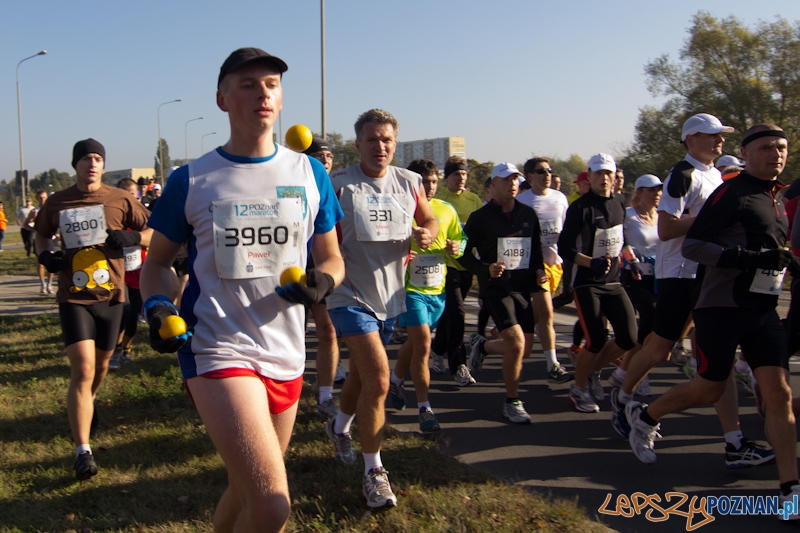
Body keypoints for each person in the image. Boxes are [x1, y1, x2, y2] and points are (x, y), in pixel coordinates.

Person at [141, 48, 344, 531]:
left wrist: (322, 282)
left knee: (244, 487)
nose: (263, 93)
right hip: (217, 348)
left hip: (286, 352)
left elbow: (333, 258)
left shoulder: (310, 174)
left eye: (271, 84)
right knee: (273, 502)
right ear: (222, 99)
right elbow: (156, 265)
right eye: (248, 84)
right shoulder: (191, 180)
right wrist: (155, 305)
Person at [626, 124, 797, 513]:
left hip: (762, 309)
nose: (776, 154)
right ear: (747, 153)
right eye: (767, 147)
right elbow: (694, 245)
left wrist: (788, 264)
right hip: (720, 307)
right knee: (708, 390)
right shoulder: (729, 192)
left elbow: (771, 251)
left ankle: (790, 490)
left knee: (779, 394)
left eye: (782, 147)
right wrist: (752, 260)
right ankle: (645, 413)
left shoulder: (776, 198)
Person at [611, 113, 772, 467]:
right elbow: (667, 229)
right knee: (659, 351)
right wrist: (715, 220)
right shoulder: (681, 175)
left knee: (718, 361)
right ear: (690, 139)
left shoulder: (716, 175)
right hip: (680, 274)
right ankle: (623, 398)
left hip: (711, 276)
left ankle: (735, 442)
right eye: (711, 135)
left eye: (721, 135)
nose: (719, 140)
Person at [325, 108, 438, 508]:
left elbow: (428, 221)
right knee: (379, 380)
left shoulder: (409, 182)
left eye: (387, 139)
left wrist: (426, 232)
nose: (380, 146)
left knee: (360, 375)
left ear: (395, 143)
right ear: (357, 145)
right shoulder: (338, 183)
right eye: (371, 139)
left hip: (391, 295)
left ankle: (339, 428)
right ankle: (374, 472)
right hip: (348, 293)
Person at [35, 139, 151, 480]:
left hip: (112, 296)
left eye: (98, 158)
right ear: (76, 165)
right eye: (86, 158)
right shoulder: (58, 202)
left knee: (100, 368)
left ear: (103, 165)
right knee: (83, 369)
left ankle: (88, 401)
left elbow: (155, 231)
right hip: (74, 297)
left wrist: (133, 239)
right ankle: (82, 451)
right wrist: (45, 256)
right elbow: (42, 236)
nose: (93, 163)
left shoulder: (121, 198)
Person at [460, 163, 547, 423]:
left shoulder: (528, 214)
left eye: (516, 179)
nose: (512, 184)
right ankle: (512, 401)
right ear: (493, 185)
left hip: (522, 288)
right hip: (496, 290)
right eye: (506, 180)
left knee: (524, 349)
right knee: (517, 342)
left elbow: (536, 248)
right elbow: (462, 254)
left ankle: (482, 345)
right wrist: (484, 269)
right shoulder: (480, 217)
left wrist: (540, 271)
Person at [557, 153, 638, 413]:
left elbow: (620, 239)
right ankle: (578, 390)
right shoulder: (580, 208)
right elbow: (565, 247)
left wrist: (631, 258)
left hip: (613, 281)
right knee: (595, 339)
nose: (604, 178)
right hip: (586, 282)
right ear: (589, 176)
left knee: (629, 338)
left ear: (615, 177)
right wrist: (589, 261)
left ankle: (592, 371)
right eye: (598, 173)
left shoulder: (619, 203)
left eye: (608, 174)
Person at [388, 158, 464, 432]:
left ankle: (396, 379)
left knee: (416, 342)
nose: (429, 187)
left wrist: (458, 247)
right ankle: (425, 409)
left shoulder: (446, 210)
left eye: (433, 181)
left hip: (437, 290)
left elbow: (461, 240)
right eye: (424, 182)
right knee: (423, 345)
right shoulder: (400, 210)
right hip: (411, 290)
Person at [515, 157, 572, 383]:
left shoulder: (560, 198)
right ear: (529, 176)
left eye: (549, 170)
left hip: (555, 263)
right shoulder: (523, 201)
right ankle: (553, 365)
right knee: (547, 312)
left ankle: (504, 334)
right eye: (540, 171)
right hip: (534, 265)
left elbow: (566, 231)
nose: (546, 174)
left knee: (536, 316)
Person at [302, 136, 347, 418]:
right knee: (294, 331)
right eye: (320, 156)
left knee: (327, 330)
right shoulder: (292, 180)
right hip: (290, 267)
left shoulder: (339, 184)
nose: (326, 161)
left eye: (329, 156)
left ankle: (325, 396)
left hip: (324, 267)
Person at [607, 175, 662, 400]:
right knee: (657, 318)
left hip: (657, 278)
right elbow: (619, 240)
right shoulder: (629, 215)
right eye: (651, 190)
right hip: (632, 276)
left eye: (659, 190)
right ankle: (638, 373)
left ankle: (622, 373)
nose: (656, 194)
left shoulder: (661, 216)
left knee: (647, 333)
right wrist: (631, 260)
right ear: (639, 192)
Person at [431, 156, 483, 385]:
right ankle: (459, 365)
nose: (460, 178)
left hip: (467, 264)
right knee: (458, 313)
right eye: (456, 174)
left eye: (463, 174)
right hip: (446, 266)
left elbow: (480, 232)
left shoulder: (474, 200)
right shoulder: (440, 202)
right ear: (447, 177)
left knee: (449, 315)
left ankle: (435, 350)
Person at [109, 178, 151, 369]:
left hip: (138, 271)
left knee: (134, 313)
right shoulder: (112, 216)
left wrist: (136, 237)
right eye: (124, 195)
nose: (129, 199)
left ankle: (126, 348)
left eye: (132, 195)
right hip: (117, 273)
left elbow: (154, 237)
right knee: (122, 310)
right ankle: (115, 349)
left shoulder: (143, 216)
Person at [554, 170, 591, 310]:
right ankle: (540, 313)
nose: (582, 187)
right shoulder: (573, 202)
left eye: (586, 184)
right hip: (573, 251)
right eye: (581, 184)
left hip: (587, 252)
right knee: (569, 293)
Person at [27, 190, 55, 294]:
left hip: (51, 239)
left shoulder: (51, 210)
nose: (42, 200)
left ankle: (49, 284)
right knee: (40, 263)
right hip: (39, 239)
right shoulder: (35, 210)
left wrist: (57, 234)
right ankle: (42, 284)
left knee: (51, 262)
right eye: (40, 198)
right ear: (37, 199)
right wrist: (33, 223)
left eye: (44, 197)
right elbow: (26, 224)